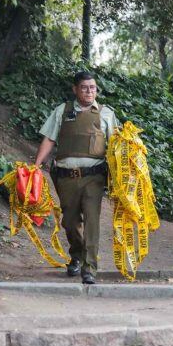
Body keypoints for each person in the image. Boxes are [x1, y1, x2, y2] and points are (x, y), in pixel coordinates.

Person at [33, 71, 119, 284]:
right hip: (66, 178)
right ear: (75, 89)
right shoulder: (62, 111)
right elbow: (49, 139)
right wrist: (35, 165)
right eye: (84, 87)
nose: (90, 91)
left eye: (93, 87)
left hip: (94, 178)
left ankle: (90, 268)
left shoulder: (106, 114)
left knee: (92, 221)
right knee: (70, 222)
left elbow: (117, 147)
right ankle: (77, 256)